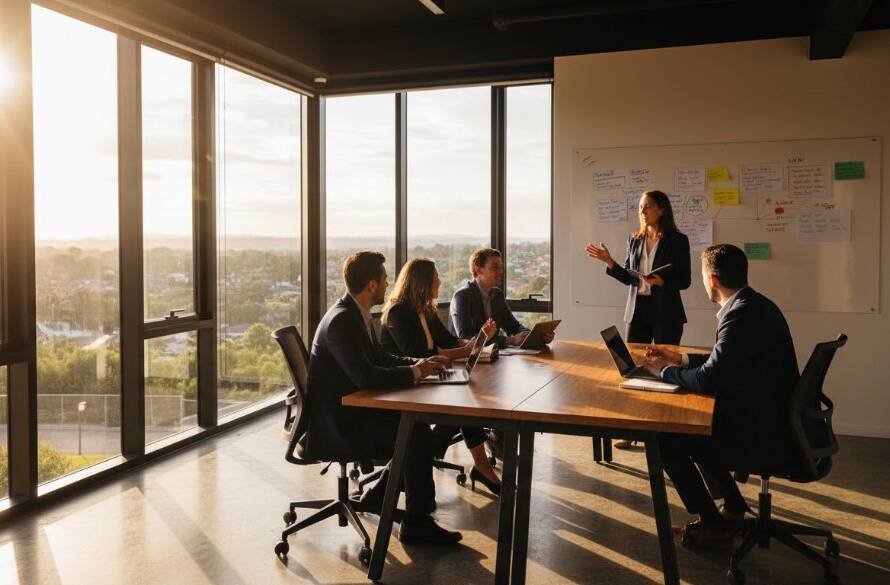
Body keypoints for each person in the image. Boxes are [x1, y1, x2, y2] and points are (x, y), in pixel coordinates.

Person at [643, 244, 799, 545]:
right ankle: (734, 507)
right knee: (694, 433)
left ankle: (713, 524)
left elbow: (708, 378)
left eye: (702, 275)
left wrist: (661, 372)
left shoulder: (740, 316)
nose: (702, 281)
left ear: (712, 279)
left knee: (667, 438)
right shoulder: (754, 305)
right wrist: (680, 360)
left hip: (762, 431)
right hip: (772, 417)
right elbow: (722, 360)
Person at [306, 251, 462, 545]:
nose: (388, 282)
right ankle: (416, 522)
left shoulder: (355, 314)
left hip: (353, 412)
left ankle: (381, 495)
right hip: (339, 425)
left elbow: (381, 357)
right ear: (371, 285)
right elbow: (366, 376)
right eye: (384, 277)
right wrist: (414, 373)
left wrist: (420, 364)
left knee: (414, 428)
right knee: (415, 433)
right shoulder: (342, 320)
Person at [381, 257, 501, 495]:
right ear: (423, 282)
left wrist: (475, 341)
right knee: (461, 401)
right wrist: (466, 350)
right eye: (436, 277)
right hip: (402, 385)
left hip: (425, 380)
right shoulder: (398, 313)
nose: (439, 281)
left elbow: (446, 341)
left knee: (466, 397)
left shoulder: (426, 310)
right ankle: (423, 457)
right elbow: (417, 355)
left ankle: (479, 464)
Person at [585, 190, 691, 449]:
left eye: (648, 207)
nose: (642, 212)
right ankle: (632, 428)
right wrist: (609, 262)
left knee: (664, 365)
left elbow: (685, 280)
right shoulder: (635, 239)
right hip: (638, 309)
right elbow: (629, 277)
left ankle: (665, 428)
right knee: (634, 366)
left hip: (666, 309)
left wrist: (662, 280)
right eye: (641, 207)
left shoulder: (678, 240)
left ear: (662, 210)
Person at [449, 247, 555, 460]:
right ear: (477, 270)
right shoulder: (463, 296)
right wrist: (507, 340)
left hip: (492, 360)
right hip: (466, 363)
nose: (500, 272)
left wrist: (531, 334)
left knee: (514, 386)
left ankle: (498, 436)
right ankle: (496, 438)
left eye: (501, 267)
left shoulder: (496, 295)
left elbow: (512, 325)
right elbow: (467, 337)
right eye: (494, 267)